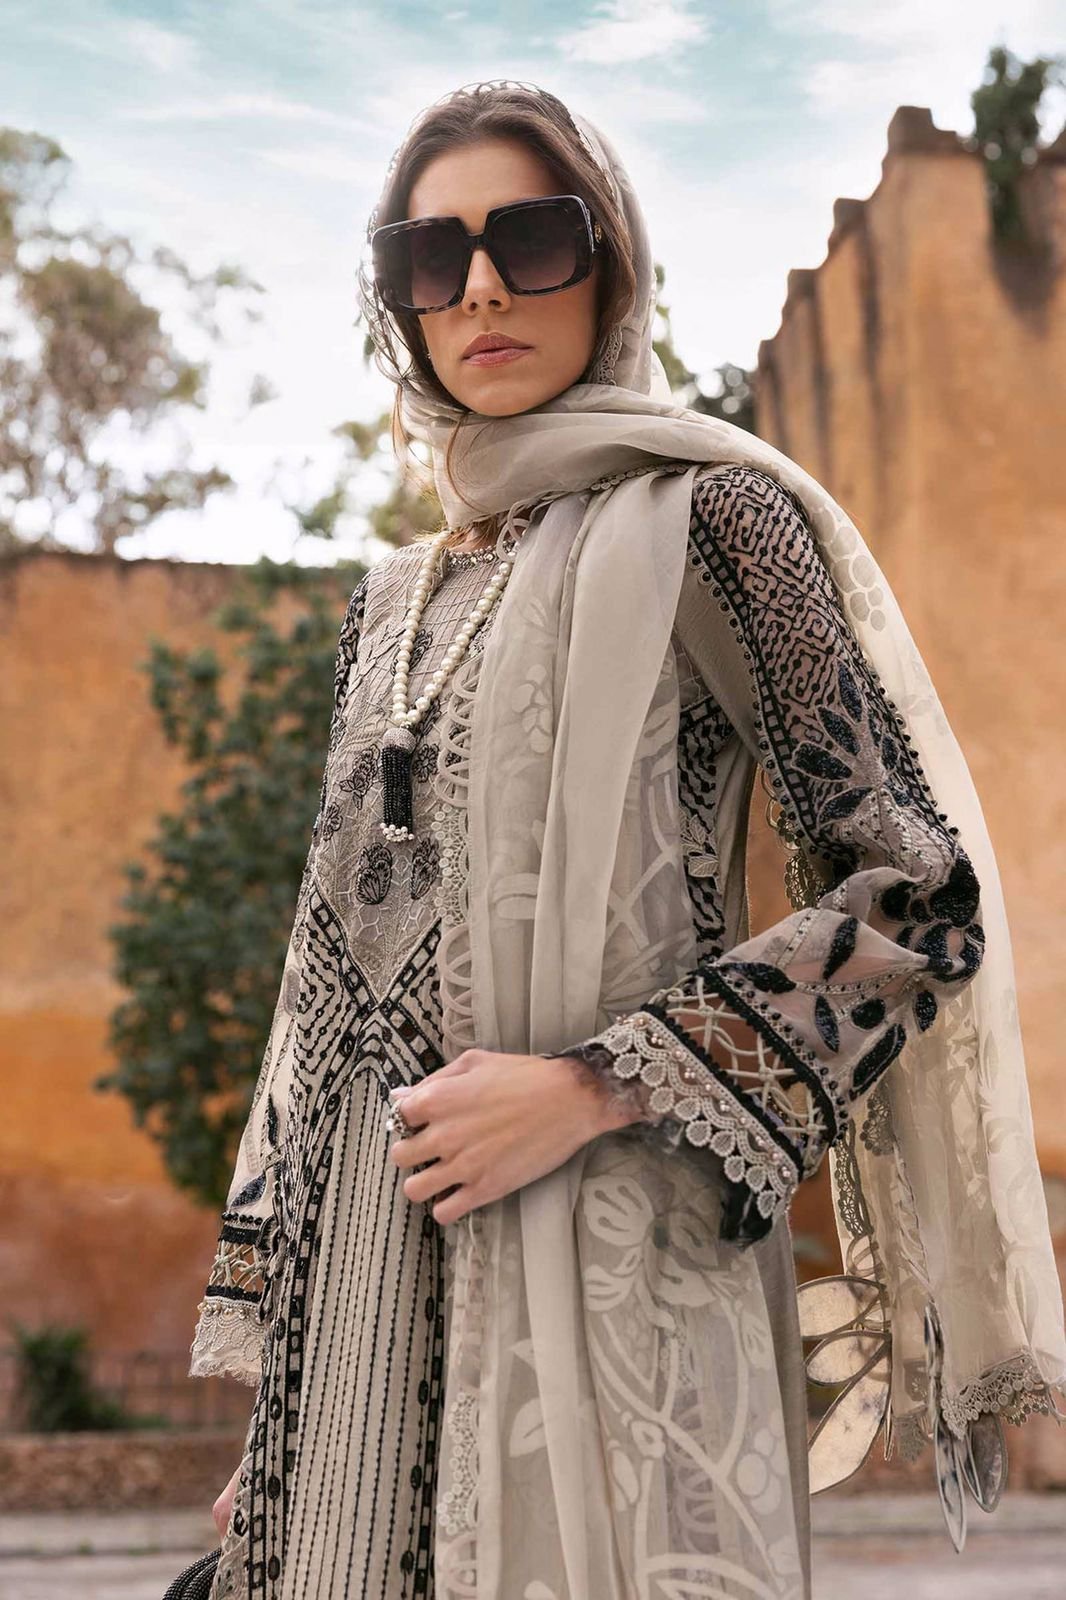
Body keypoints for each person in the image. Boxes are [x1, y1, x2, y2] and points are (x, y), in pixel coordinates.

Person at [190, 79, 1065, 1599]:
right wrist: (285, 1416)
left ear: (610, 264)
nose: (478, 288)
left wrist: (590, 1086)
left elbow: (918, 901)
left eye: (528, 239)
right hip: (364, 1341)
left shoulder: (717, 522)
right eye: (430, 257)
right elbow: (325, 994)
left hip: (613, 1270)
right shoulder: (386, 604)